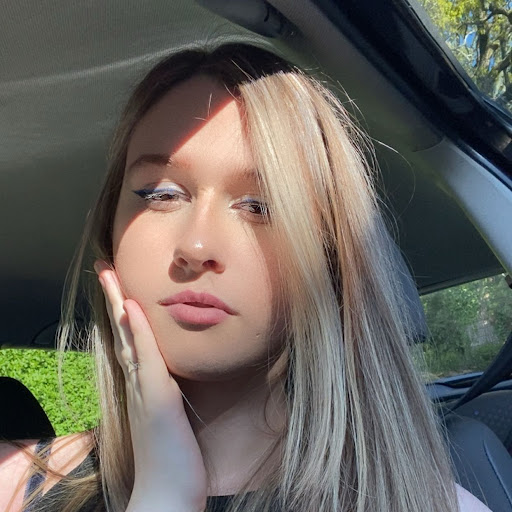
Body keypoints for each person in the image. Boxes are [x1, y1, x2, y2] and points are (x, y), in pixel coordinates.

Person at [0, 43, 491, 512]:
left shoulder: (432, 503)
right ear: (112, 232)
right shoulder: (12, 483)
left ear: (327, 257)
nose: (197, 247)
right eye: (161, 194)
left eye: (260, 206)